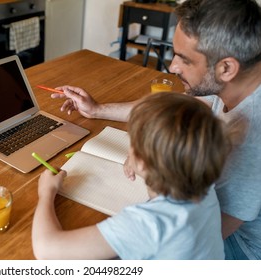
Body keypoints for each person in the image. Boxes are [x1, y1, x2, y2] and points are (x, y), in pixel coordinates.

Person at [50, 0, 261, 260]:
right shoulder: (237, 84)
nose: (172, 67)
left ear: (226, 68)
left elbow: (205, 234)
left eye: (184, 60)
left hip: (238, 249)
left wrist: (138, 226)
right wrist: (98, 109)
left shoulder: (251, 138)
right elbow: (174, 109)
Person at [32, 92, 230, 259]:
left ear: (143, 161)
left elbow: (46, 250)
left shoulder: (150, 224)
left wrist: (46, 192)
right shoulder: (204, 187)